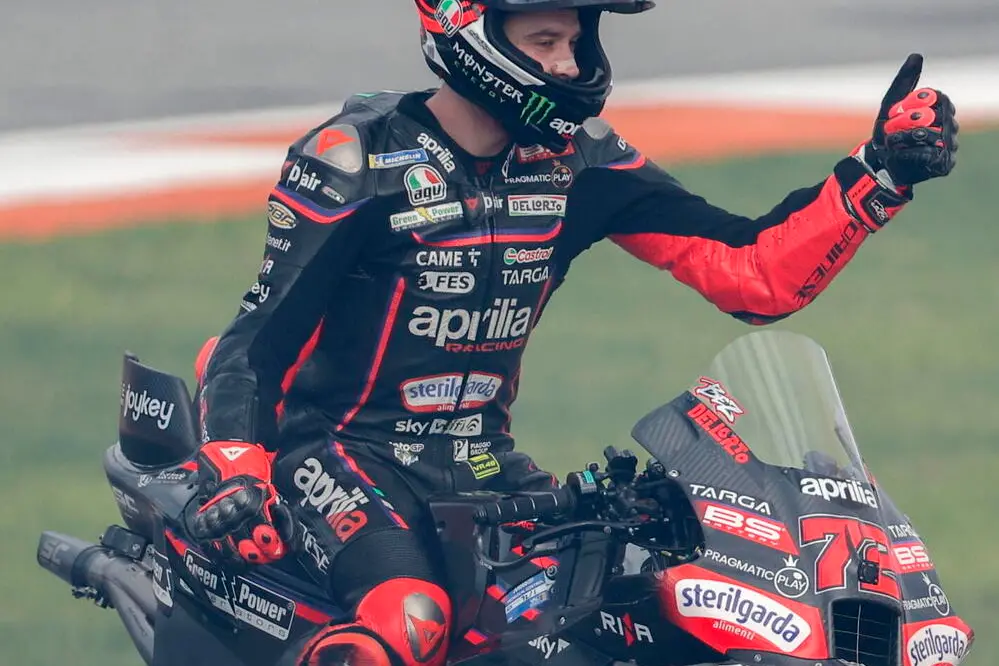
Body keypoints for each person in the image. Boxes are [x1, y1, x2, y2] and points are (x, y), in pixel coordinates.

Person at [186, 1, 959, 665]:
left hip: (482, 462)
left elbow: (751, 273)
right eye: (545, 41)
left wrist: (878, 174)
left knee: (613, 607)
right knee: (409, 617)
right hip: (340, 452)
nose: (569, 62)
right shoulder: (359, 158)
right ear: (467, 29)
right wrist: (236, 467)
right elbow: (255, 342)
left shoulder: (579, 160)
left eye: (576, 40)